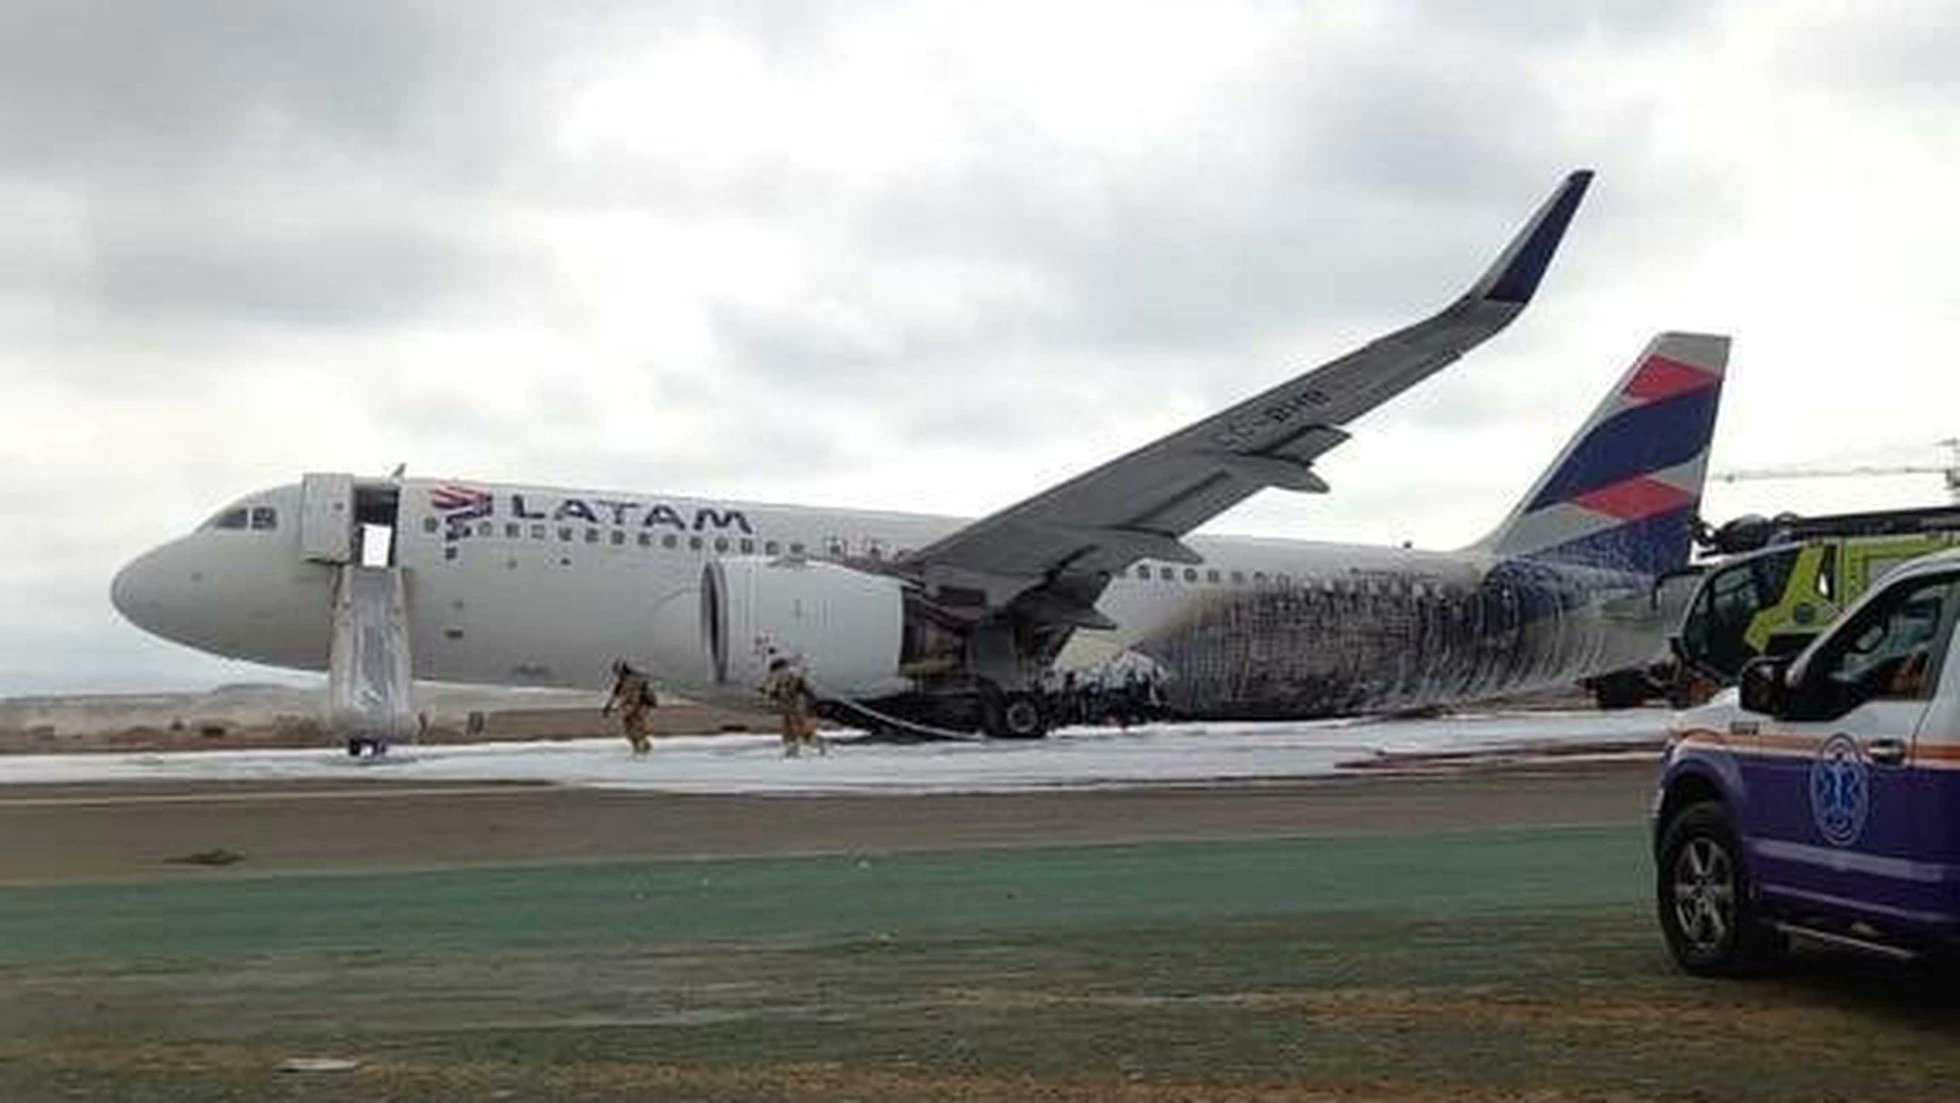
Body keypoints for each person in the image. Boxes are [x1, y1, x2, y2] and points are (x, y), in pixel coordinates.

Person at [761, 656, 825, 758]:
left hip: (797, 704)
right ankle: (794, 747)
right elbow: (775, 691)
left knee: (799, 726)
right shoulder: (782, 678)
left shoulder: (794, 677)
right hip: (788, 705)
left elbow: (806, 689)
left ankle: (812, 744)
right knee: (789, 726)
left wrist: (811, 702)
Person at [602, 660, 657, 755]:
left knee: (637, 727)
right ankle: (639, 747)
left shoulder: (632, 681)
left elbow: (633, 698)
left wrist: (626, 709)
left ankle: (643, 747)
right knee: (630, 728)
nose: (617, 674)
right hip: (633, 707)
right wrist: (608, 707)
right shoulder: (622, 682)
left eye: (618, 672)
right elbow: (615, 695)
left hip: (641, 706)